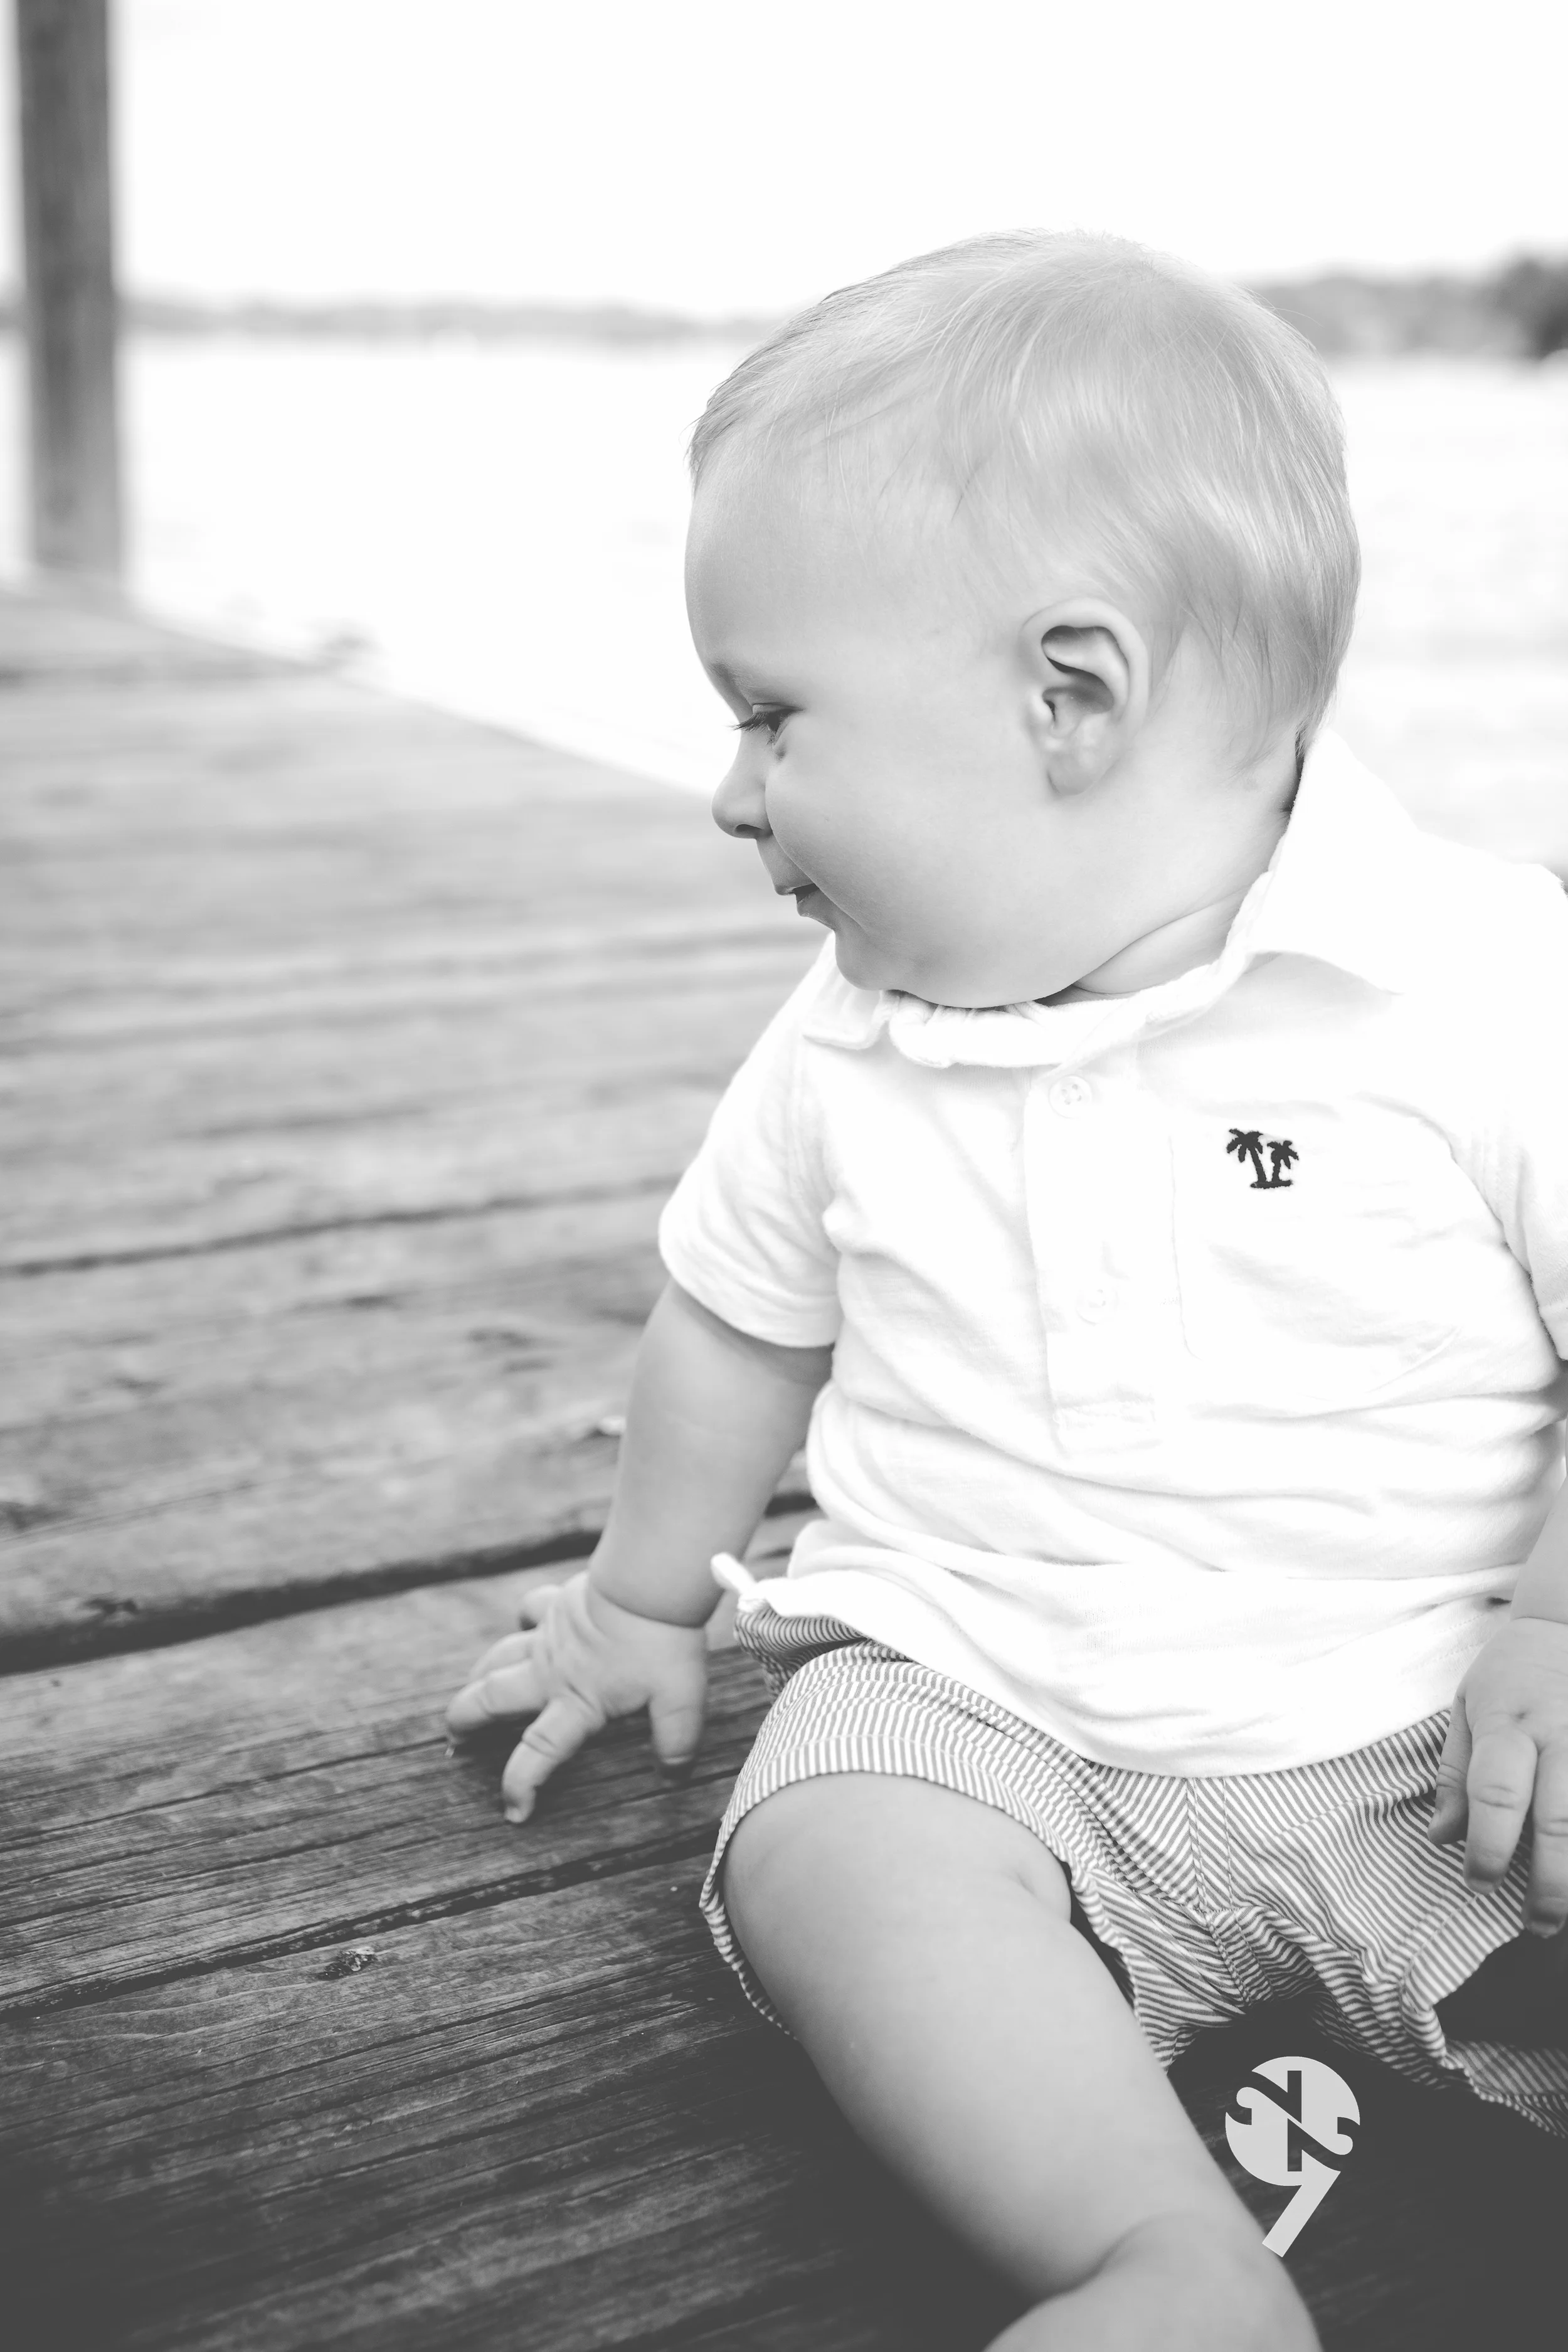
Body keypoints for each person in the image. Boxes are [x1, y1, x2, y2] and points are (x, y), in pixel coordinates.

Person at [446, 232, 1568, 2348]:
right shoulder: (847, 1038)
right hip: (987, 1716)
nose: (728, 793)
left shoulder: (1475, 984)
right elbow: (735, 1321)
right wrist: (634, 1600)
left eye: (769, 715)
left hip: (1436, 1732)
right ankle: (1158, 2257)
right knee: (830, 1838)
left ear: (1069, 696)